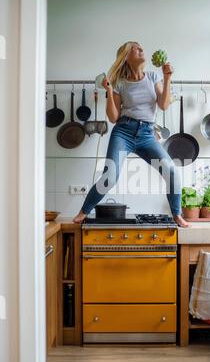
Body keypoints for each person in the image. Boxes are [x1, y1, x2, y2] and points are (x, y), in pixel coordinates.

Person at [73, 41, 191, 228]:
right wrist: (110, 91)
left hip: (147, 134)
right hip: (123, 132)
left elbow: (164, 104)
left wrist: (167, 78)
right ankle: (83, 211)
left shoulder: (153, 77)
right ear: (126, 57)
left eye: (140, 46)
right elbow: (113, 118)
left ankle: (177, 215)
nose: (140, 48)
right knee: (109, 176)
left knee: (171, 172)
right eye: (135, 48)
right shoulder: (119, 83)